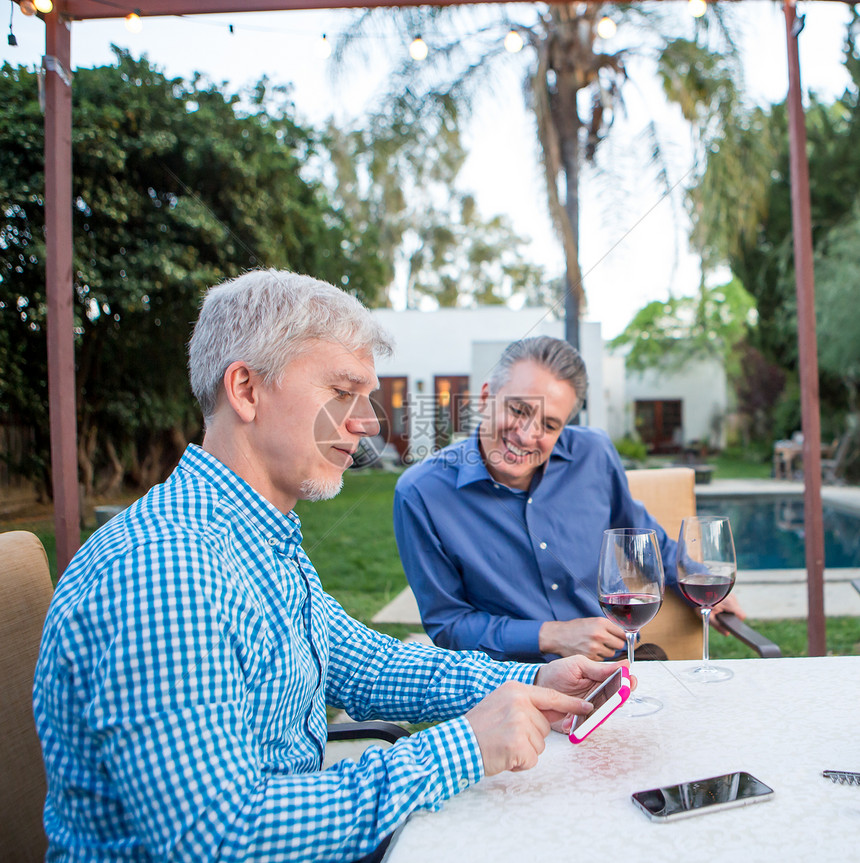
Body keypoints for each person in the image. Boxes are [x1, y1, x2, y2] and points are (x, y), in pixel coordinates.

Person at [33, 272, 627, 863]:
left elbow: (369, 664)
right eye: (343, 392)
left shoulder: (257, 540)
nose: (368, 421)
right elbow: (217, 838)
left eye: (367, 397)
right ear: (245, 389)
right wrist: (465, 747)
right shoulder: (165, 571)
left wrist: (529, 682)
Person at [393, 335, 744, 663]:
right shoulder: (422, 494)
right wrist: (551, 636)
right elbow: (449, 625)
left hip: (612, 668)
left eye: (548, 425)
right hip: (507, 686)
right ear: (485, 397)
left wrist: (702, 587)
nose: (527, 435)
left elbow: (642, 541)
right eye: (517, 410)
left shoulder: (594, 452)